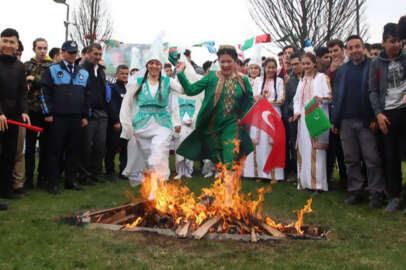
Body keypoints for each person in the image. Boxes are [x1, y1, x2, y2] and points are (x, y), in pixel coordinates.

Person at [175, 45, 254, 172]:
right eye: (223, 61)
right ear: (218, 62)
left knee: (230, 161)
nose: (226, 64)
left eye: (229, 61)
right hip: (211, 127)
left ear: (235, 62)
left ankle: (229, 191)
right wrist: (180, 74)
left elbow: (250, 102)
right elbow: (191, 90)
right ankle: (226, 188)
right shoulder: (211, 76)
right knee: (219, 164)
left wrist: (244, 117)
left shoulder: (243, 80)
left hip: (232, 125)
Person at [331, 35, 386, 208]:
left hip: (366, 121)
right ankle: (356, 191)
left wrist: (374, 116)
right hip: (346, 121)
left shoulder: (373, 65)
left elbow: (377, 93)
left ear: (363, 48)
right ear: (347, 51)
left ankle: (377, 193)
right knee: (351, 159)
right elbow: (338, 96)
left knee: (371, 158)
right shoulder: (343, 70)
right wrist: (336, 120)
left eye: (357, 47)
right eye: (351, 47)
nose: (354, 50)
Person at [120, 52, 184, 181]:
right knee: (149, 159)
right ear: (147, 66)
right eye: (151, 63)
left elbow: (184, 90)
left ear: (161, 66)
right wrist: (127, 124)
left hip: (162, 123)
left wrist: (180, 73)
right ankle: (153, 189)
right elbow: (126, 103)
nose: (154, 66)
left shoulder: (168, 82)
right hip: (142, 124)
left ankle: (161, 183)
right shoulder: (137, 83)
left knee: (158, 150)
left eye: (157, 63)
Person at [41, 40, 89, 195]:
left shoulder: (83, 72)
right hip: (57, 118)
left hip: (76, 118)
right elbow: (44, 93)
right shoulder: (52, 70)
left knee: (73, 151)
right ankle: (53, 183)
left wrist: (85, 115)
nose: (72, 55)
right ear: (62, 52)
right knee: (55, 151)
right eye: (69, 52)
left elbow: (87, 96)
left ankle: (70, 181)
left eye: (75, 52)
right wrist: (48, 113)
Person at [369, 23, 406, 212]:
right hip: (387, 114)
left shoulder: (405, 59)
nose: (396, 45)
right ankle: (394, 195)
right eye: (392, 42)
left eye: (399, 41)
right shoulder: (376, 64)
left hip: (404, 110)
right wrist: (378, 114)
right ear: (384, 42)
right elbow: (373, 91)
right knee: (390, 157)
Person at [293, 52, 331, 192]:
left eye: (308, 63)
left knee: (316, 150)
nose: (306, 66)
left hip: (316, 116)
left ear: (314, 63)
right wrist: (296, 111)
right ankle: (305, 182)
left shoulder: (322, 78)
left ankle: (318, 184)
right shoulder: (302, 81)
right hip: (303, 119)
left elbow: (329, 96)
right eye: (304, 64)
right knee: (304, 148)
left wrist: (321, 99)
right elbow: (296, 100)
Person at [0, 28, 30, 200]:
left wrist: (24, 111)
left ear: (17, 44)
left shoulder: (19, 67)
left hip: (13, 119)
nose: (8, 45)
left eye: (12, 42)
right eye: (5, 41)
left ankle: (6, 190)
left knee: (10, 154)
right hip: (0, 116)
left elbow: (21, 93)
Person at [244, 57, 284, 181]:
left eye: (273, 67)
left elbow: (281, 99)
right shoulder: (258, 80)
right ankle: (260, 173)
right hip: (259, 114)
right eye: (268, 67)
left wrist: (267, 101)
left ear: (276, 68)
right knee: (259, 144)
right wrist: (257, 98)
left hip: (273, 114)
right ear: (264, 68)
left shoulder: (280, 81)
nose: (271, 70)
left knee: (271, 144)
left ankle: (273, 175)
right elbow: (253, 97)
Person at [23, 38, 53, 190]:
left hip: (46, 112)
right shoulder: (27, 65)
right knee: (29, 147)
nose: (42, 51)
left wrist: (34, 79)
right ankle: (28, 179)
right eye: (40, 48)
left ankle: (42, 178)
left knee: (45, 147)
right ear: (34, 49)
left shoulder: (52, 66)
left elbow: (51, 85)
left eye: (45, 48)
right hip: (30, 111)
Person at [80, 43, 110, 184]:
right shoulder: (81, 69)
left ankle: (95, 173)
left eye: (99, 54)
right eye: (95, 54)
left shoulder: (101, 71)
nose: (97, 57)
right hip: (88, 114)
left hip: (102, 113)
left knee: (100, 146)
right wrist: (84, 114)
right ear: (88, 53)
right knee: (85, 147)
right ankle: (83, 175)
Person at [326, 39, 347, 188]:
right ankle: (339, 179)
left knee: (348, 152)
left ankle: (349, 180)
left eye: (336, 50)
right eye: (331, 51)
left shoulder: (348, 65)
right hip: (333, 112)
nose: (334, 54)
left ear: (342, 50)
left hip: (347, 111)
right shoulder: (329, 69)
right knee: (336, 149)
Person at [105, 65, 129, 182]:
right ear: (117, 74)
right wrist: (115, 121)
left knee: (125, 148)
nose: (124, 75)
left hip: (126, 124)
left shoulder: (128, 89)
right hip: (116, 124)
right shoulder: (113, 88)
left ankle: (123, 170)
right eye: (122, 73)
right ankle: (110, 172)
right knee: (112, 148)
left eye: (126, 73)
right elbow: (112, 106)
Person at [282, 52, 303, 182]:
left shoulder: (311, 78)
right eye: (292, 64)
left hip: (308, 118)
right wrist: (288, 116)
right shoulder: (290, 82)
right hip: (294, 120)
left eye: (297, 64)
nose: (294, 67)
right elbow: (287, 101)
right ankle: (297, 172)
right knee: (295, 147)